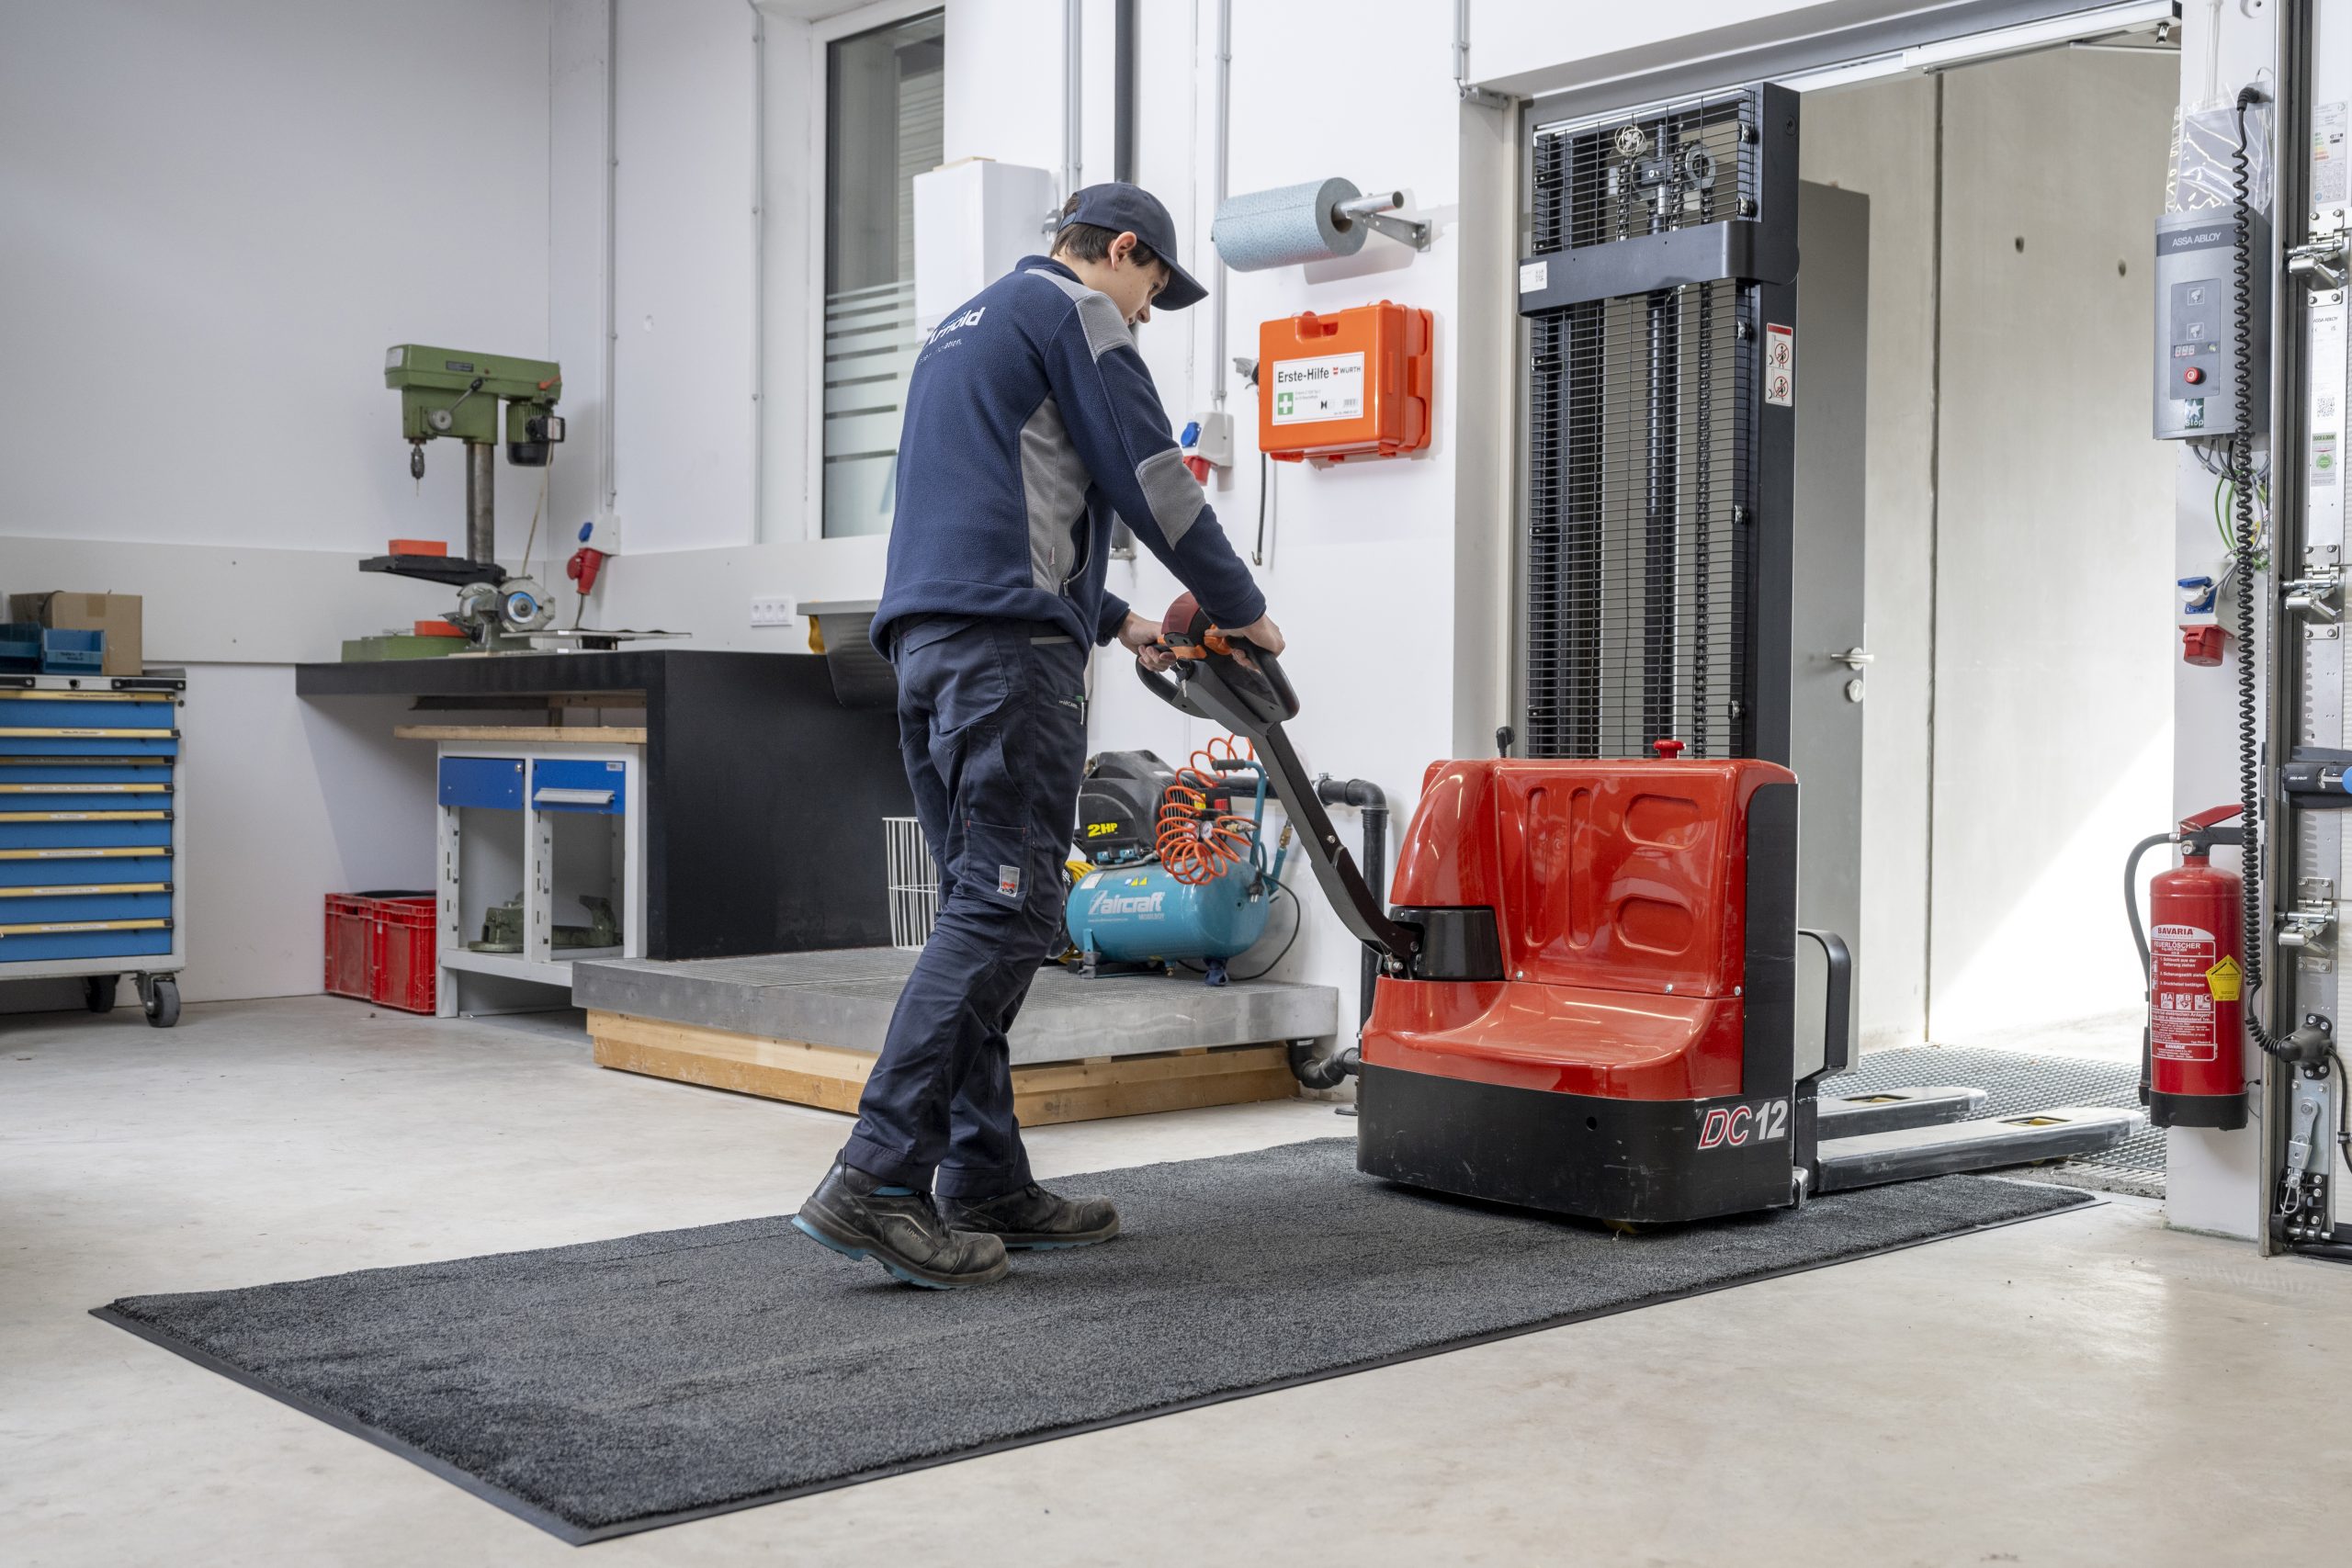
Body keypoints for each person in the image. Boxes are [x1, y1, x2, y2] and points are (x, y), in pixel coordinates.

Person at [791, 183, 1283, 1289]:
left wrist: (1120, 620)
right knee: (1006, 909)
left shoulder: (955, 333)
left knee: (984, 908)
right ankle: (874, 1177)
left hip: (931, 650)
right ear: (1121, 250)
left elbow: (986, 513)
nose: (1145, 313)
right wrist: (1241, 608)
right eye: (1152, 288)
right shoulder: (1077, 311)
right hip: (1006, 661)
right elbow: (1153, 478)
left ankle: (983, 1177)